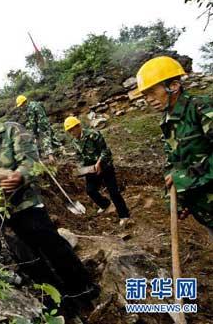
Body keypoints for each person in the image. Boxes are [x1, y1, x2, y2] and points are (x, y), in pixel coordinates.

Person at [0, 91, 98, 301]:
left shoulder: (12, 130)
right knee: (29, 259)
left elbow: (32, 162)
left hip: (26, 205)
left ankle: (84, 290)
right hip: (2, 214)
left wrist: (19, 176)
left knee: (53, 248)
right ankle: (59, 299)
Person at [136, 56, 212, 238]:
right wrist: (177, 199)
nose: (148, 99)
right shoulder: (167, 121)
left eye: (152, 91)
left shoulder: (201, 108)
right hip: (206, 212)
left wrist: (182, 180)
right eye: (145, 95)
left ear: (174, 86)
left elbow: (181, 175)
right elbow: (173, 165)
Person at [64, 116, 131, 227]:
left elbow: (105, 151)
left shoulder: (93, 134)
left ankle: (124, 215)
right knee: (90, 190)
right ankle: (105, 205)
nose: (72, 132)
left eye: (73, 129)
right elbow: (79, 157)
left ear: (78, 126)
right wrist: (81, 168)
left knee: (113, 192)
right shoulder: (74, 141)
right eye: (69, 131)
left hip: (105, 167)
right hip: (91, 169)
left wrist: (99, 163)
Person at [16, 95, 61, 162]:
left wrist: (33, 133)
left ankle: (50, 158)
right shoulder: (33, 105)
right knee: (53, 139)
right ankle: (62, 150)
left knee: (45, 140)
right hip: (45, 124)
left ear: (24, 102)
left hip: (42, 126)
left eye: (21, 105)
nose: (21, 107)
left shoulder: (31, 108)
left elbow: (33, 123)